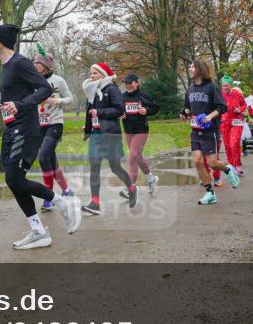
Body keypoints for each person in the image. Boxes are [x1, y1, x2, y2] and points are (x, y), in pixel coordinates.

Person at [0, 24, 81, 249]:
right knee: (13, 181)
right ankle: (39, 231)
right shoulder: (6, 66)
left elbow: (44, 89)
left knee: (15, 179)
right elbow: (8, 97)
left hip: (26, 130)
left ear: (2, 40)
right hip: (12, 130)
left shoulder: (19, 62)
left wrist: (21, 105)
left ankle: (62, 202)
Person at [183, 57, 239, 205]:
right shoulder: (190, 88)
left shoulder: (211, 86)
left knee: (212, 163)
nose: (190, 69)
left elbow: (222, 107)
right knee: (197, 161)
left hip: (210, 132)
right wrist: (184, 113)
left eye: (192, 67)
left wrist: (209, 117)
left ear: (199, 69)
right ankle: (210, 193)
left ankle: (227, 169)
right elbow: (187, 107)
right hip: (195, 131)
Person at [81, 63, 134, 213]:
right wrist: (88, 128)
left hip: (111, 134)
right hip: (96, 135)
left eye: (95, 74)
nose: (92, 76)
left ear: (103, 75)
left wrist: (99, 112)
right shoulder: (91, 91)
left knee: (115, 167)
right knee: (94, 167)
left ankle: (131, 188)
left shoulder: (111, 89)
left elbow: (119, 110)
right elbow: (89, 113)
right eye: (91, 73)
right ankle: (95, 202)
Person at [32, 46, 75, 213]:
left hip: (55, 123)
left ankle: (48, 198)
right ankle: (66, 190)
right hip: (38, 124)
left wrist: (58, 101)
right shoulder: (32, 80)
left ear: (46, 65)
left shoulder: (58, 80)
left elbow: (70, 98)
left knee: (43, 157)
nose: (35, 65)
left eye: (38, 62)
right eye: (34, 62)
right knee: (50, 158)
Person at [119, 73, 160, 197]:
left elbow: (156, 108)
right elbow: (116, 109)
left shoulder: (143, 96)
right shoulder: (122, 97)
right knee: (138, 157)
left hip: (141, 130)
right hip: (128, 130)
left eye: (130, 83)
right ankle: (151, 178)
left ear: (137, 83)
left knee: (132, 156)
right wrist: (120, 114)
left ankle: (130, 188)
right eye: (126, 83)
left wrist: (146, 111)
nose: (128, 86)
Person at [219, 75, 246, 176]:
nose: (225, 87)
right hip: (224, 123)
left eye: (227, 85)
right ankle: (231, 165)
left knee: (234, 143)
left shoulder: (237, 93)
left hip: (236, 122)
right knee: (227, 145)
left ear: (231, 85)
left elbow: (244, 105)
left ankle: (237, 165)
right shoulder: (220, 95)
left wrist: (240, 110)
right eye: (223, 85)